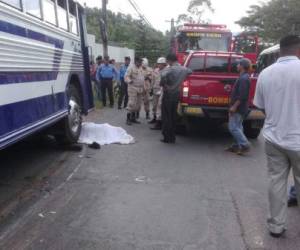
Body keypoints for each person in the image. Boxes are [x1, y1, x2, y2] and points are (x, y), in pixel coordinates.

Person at [254, 34, 300, 238]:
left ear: (280, 49)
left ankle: (276, 226)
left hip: (273, 138)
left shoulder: (265, 73)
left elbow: (261, 106)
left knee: (276, 182)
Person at [160, 53, 191, 143]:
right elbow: (190, 72)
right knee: (173, 116)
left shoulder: (170, 69)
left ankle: (167, 137)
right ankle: (173, 137)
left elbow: (162, 76)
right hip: (177, 95)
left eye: (167, 61)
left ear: (170, 60)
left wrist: (164, 84)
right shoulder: (184, 69)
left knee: (166, 117)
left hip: (168, 94)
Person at [227, 58, 252, 155]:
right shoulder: (243, 77)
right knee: (238, 126)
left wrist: (234, 107)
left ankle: (245, 144)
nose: (237, 66)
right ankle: (238, 146)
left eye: (238, 64)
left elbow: (243, 96)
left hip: (238, 108)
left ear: (242, 66)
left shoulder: (244, 79)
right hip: (240, 108)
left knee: (233, 127)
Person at [125, 57, 144, 125]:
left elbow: (142, 77)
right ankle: (128, 119)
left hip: (140, 88)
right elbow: (126, 76)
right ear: (136, 61)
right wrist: (130, 81)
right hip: (132, 88)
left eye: (141, 62)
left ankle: (133, 118)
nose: (141, 63)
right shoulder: (131, 67)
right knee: (131, 103)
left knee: (138, 104)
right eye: (140, 61)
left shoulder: (140, 68)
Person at [149, 57, 167, 129]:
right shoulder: (155, 70)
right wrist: (151, 89)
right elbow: (153, 80)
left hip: (162, 90)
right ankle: (154, 118)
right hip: (155, 89)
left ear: (164, 64)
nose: (158, 65)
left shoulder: (166, 71)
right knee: (154, 105)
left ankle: (159, 122)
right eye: (158, 64)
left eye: (160, 64)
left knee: (160, 106)